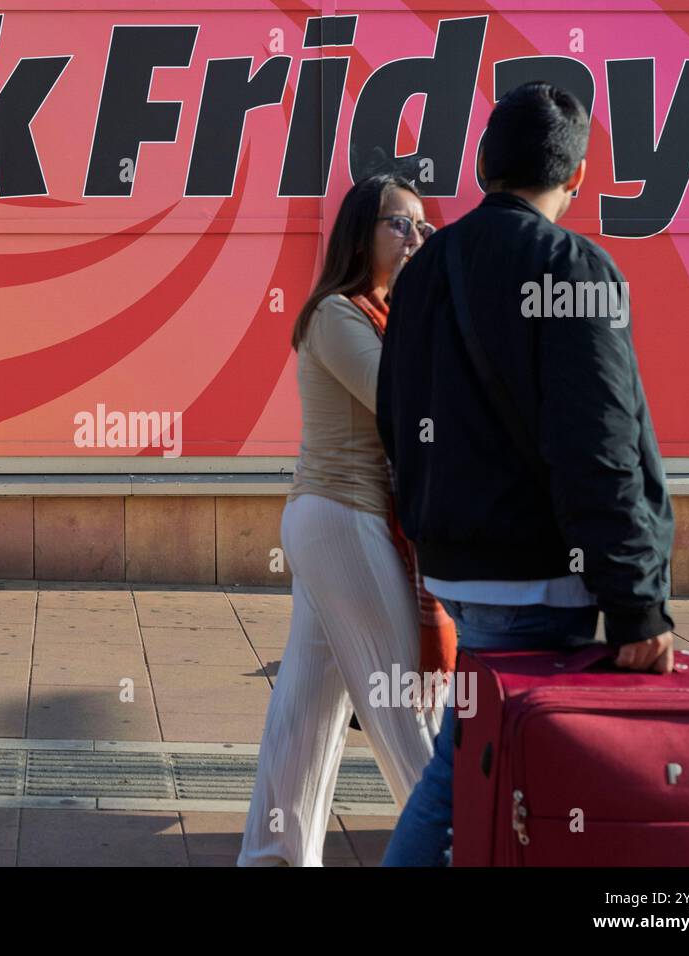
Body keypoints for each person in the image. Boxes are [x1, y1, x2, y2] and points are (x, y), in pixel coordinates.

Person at [375, 82, 675, 866]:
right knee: (485, 777)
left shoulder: (426, 269)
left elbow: (395, 418)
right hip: (540, 581)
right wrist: (638, 603)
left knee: (482, 765)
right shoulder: (574, 268)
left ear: (484, 164)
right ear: (576, 178)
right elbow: (599, 448)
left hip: (457, 569)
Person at [238, 174, 455, 867]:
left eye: (422, 226)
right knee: (403, 705)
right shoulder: (336, 313)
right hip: (343, 518)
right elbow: (400, 400)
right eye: (400, 224)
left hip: (337, 522)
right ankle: (447, 850)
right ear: (361, 234)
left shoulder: (385, 315)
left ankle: (273, 855)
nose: (415, 238)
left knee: (306, 709)